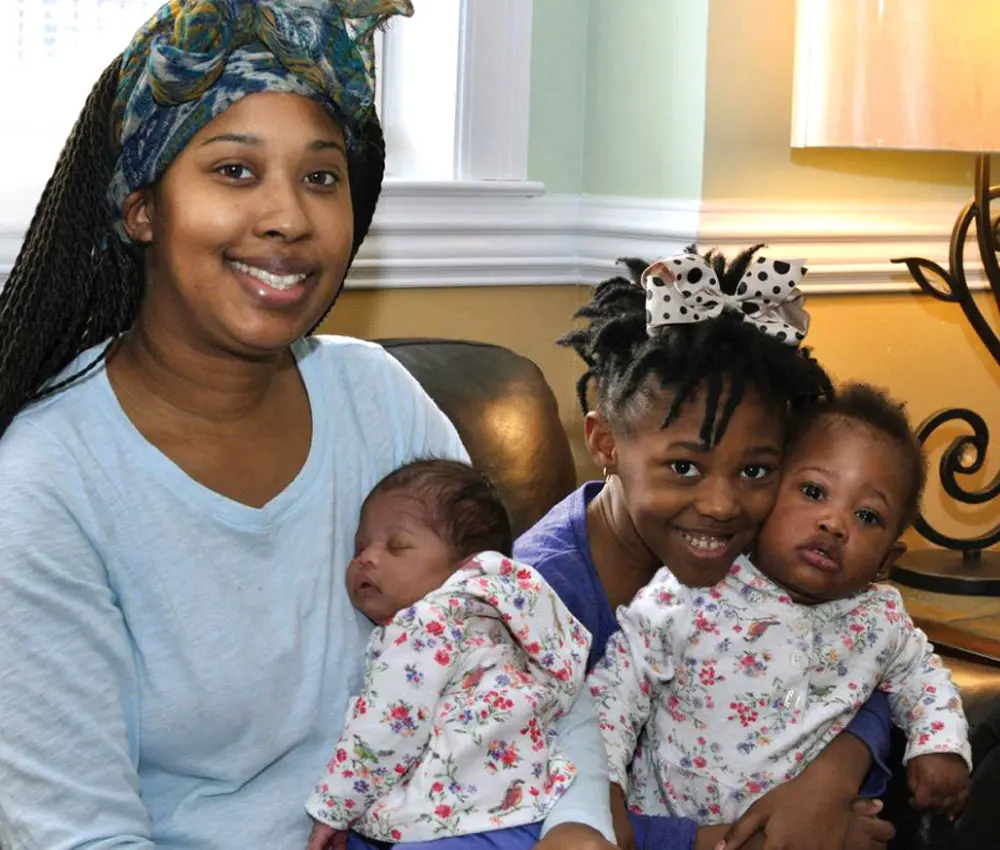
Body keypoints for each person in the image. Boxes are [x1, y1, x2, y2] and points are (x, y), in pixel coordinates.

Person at [0, 3, 613, 848]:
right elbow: (79, 834)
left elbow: (523, 655)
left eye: (322, 178)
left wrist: (580, 822)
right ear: (142, 209)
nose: (289, 217)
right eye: (235, 171)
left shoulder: (378, 397)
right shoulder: (45, 481)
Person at [514, 248, 897, 850]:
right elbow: (526, 809)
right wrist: (741, 840)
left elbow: (869, 657)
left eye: (755, 470)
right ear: (605, 443)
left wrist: (829, 779)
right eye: (684, 466)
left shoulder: (756, 549)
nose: (722, 505)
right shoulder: (536, 599)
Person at [590, 383, 972, 843]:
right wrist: (602, 793)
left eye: (867, 516)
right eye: (813, 491)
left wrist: (941, 745)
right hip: (682, 827)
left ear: (887, 560)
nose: (834, 523)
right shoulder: (693, 590)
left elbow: (924, 679)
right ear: (766, 498)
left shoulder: (880, 619)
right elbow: (614, 694)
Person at [306, 459, 594, 850]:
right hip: (530, 809)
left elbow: (388, 726)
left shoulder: (426, 623)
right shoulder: (519, 612)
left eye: (397, 545)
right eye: (360, 547)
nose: (367, 557)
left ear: (465, 566)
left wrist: (334, 809)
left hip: (452, 823)